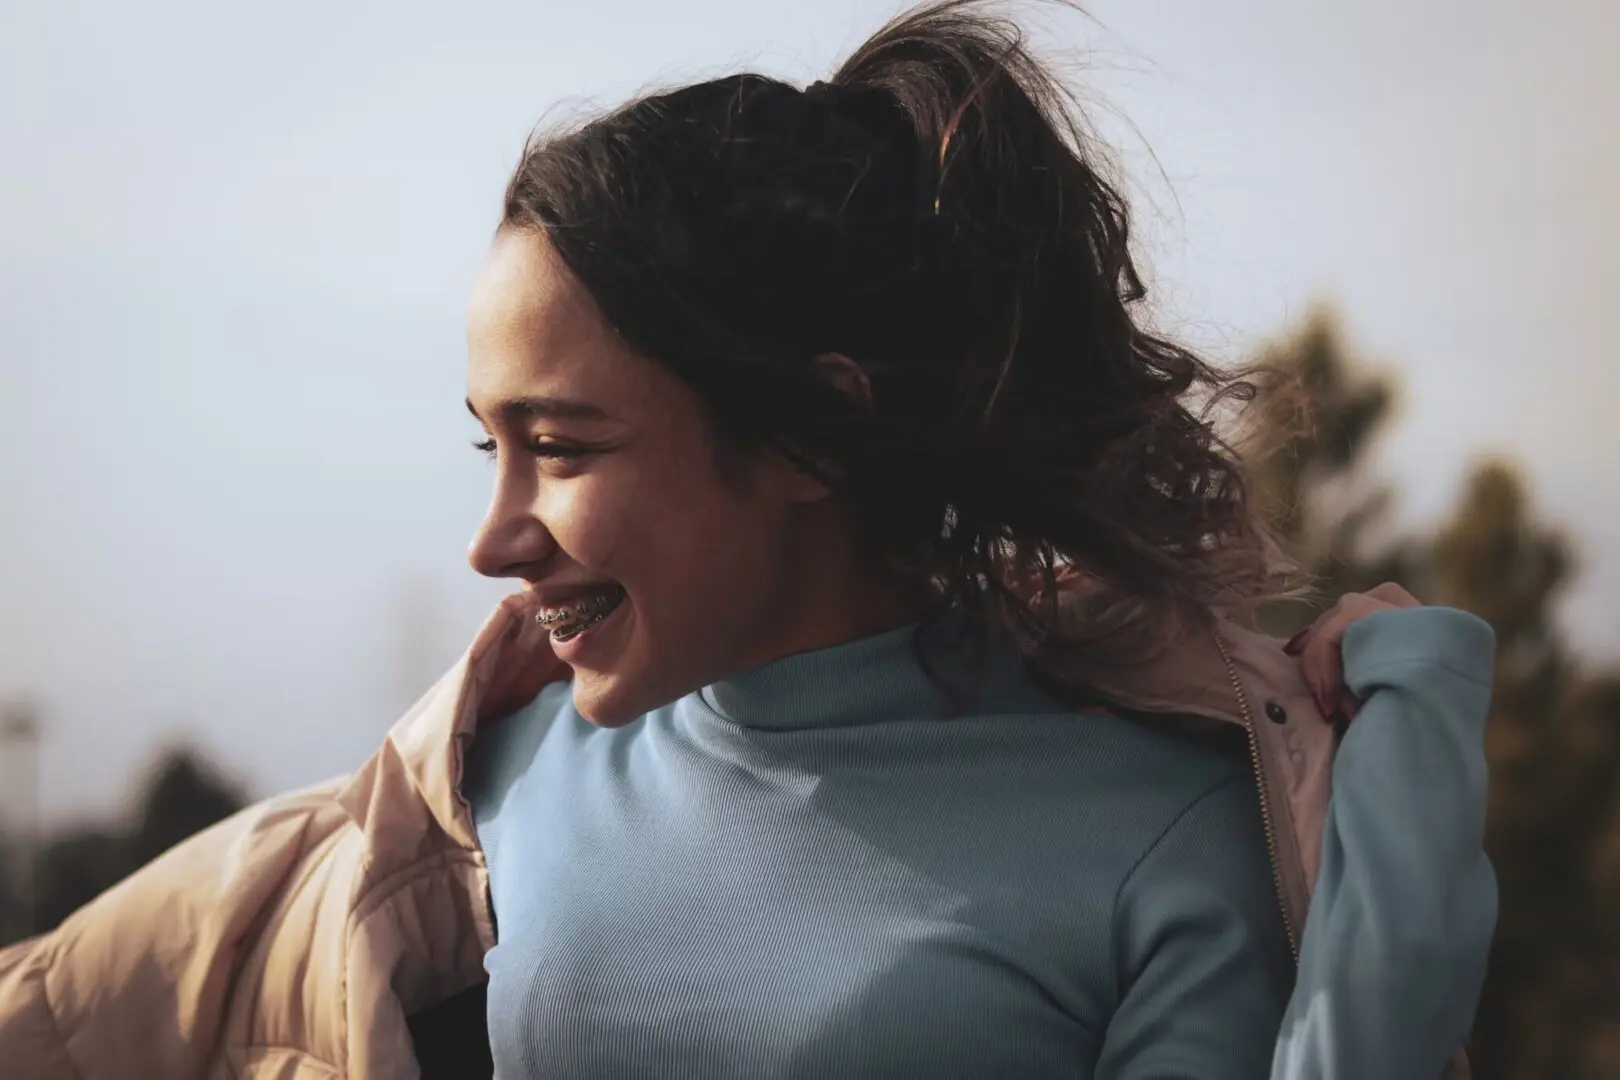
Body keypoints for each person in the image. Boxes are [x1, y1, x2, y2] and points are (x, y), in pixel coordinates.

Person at [0, 2, 1495, 1078]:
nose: (493, 539)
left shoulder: (1166, 834)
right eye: (488, 444)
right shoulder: (465, 804)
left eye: (563, 448)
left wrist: (1412, 795)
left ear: (812, 438)